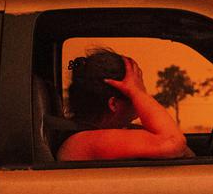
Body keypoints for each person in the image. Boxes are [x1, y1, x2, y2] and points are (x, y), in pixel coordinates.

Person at [57, 48, 194, 161]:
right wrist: (137, 92)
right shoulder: (83, 142)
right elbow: (174, 142)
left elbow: (186, 153)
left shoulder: (99, 134)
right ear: (114, 104)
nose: (144, 96)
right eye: (138, 90)